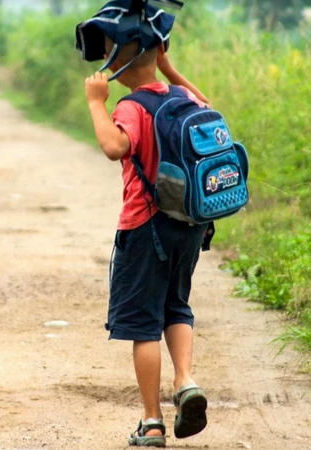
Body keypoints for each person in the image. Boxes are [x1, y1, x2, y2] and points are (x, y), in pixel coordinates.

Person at [83, 23, 211, 450]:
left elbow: (114, 147)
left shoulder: (131, 107)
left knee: (143, 325)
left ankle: (152, 422)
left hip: (145, 228)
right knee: (176, 305)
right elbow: (206, 105)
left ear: (115, 63)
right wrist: (170, 69)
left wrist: (96, 103)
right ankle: (186, 380)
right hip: (188, 226)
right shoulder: (181, 98)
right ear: (159, 54)